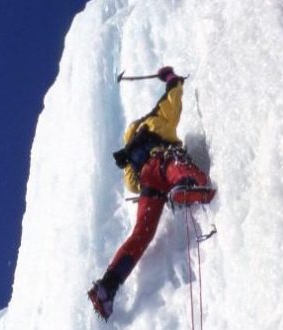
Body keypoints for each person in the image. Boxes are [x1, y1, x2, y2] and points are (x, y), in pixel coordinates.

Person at [88, 66, 215, 320]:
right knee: (176, 166)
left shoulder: (130, 150)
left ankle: (108, 286)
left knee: (141, 234)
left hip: (149, 184)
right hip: (165, 163)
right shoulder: (158, 119)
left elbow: (133, 185)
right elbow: (173, 98)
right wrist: (171, 78)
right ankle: (188, 185)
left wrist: (136, 169)